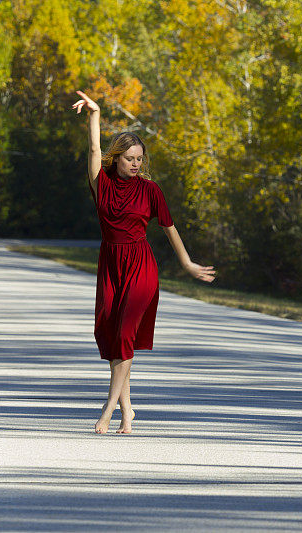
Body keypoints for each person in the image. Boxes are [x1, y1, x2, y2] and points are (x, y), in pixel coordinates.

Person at [72, 90, 216, 434]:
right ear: (117, 159)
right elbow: (93, 151)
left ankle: (107, 410)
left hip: (141, 266)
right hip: (110, 263)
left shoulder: (151, 191)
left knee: (124, 334)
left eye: (140, 158)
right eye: (130, 158)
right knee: (111, 336)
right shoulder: (101, 185)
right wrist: (95, 115)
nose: (136, 164)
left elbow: (170, 228)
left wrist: (187, 263)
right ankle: (128, 409)